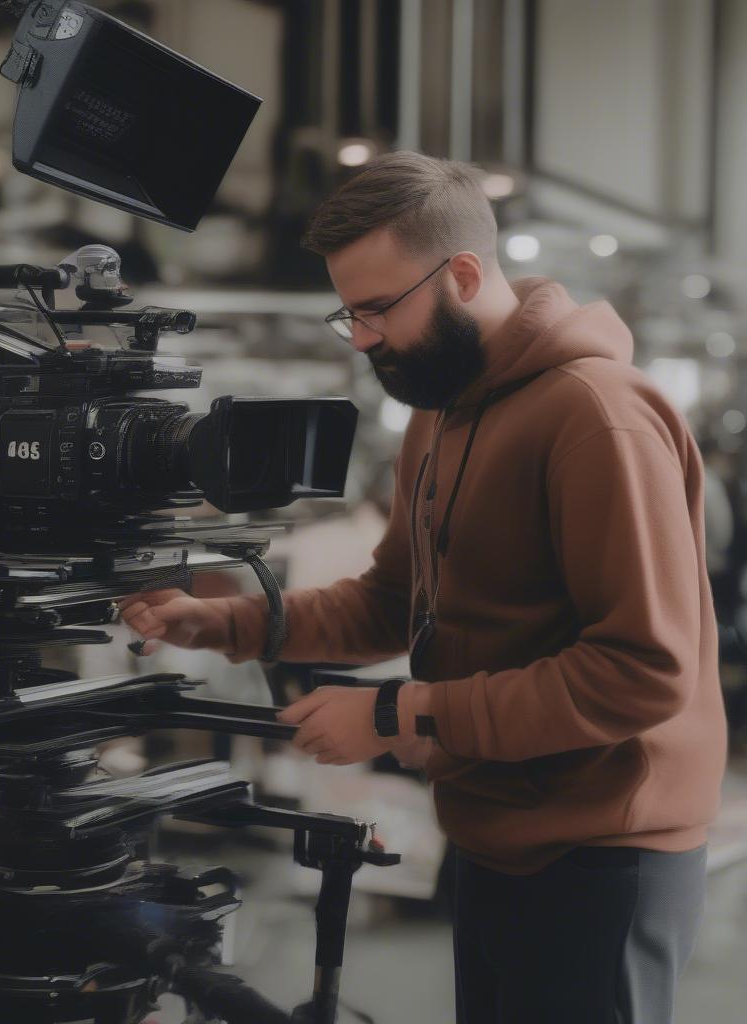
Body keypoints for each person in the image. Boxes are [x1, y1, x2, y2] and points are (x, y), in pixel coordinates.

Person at [120, 151, 727, 1023]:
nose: (363, 338)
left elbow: (642, 672)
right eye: (349, 314)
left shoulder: (598, 418)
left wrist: (396, 714)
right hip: (495, 825)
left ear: (466, 274)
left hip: (602, 850)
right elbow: (387, 601)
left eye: (376, 310)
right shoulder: (439, 414)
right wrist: (222, 622)